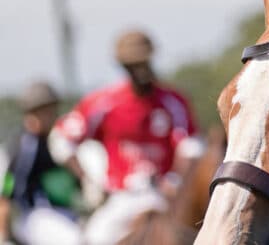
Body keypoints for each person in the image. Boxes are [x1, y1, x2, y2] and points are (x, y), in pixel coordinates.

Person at [51, 30, 202, 245]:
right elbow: (61, 141)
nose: (139, 71)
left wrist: (176, 179)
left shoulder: (173, 101)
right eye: (132, 65)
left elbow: (192, 148)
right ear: (123, 67)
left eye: (143, 63)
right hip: (121, 199)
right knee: (91, 238)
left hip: (163, 196)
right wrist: (88, 181)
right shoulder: (104, 102)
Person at [0, 81, 83, 245]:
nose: (52, 116)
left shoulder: (58, 142)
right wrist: (3, 233)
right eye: (46, 111)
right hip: (33, 216)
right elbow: (7, 187)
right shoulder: (25, 147)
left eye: (53, 110)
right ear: (32, 114)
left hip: (63, 213)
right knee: (73, 240)